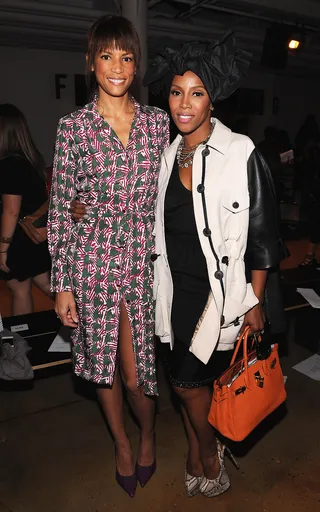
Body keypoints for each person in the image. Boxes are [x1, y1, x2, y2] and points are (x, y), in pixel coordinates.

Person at [143, 32, 287, 498]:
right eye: (176, 92)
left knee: (190, 384)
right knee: (187, 384)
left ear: (212, 100)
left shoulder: (241, 152)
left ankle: (206, 448)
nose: (184, 104)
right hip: (172, 290)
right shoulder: (166, 157)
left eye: (197, 92)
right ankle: (201, 441)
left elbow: (264, 235)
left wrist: (255, 301)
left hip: (219, 296)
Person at [47, 15, 169, 498]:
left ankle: (148, 432)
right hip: (91, 262)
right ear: (90, 63)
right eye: (106, 55)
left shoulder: (158, 124)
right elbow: (61, 206)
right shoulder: (73, 128)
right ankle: (121, 443)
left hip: (142, 260)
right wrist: (62, 282)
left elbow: (175, 187)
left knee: (138, 374)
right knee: (102, 366)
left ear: (135, 65)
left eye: (126, 56)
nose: (117, 66)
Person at [0, 104, 53, 315]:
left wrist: (2, 248)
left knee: (19, 288)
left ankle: (22, 343)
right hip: (34, 236)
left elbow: (11, 211)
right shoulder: (28, 160)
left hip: (20, 239)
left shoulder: (9, 166)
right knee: (47, 286)